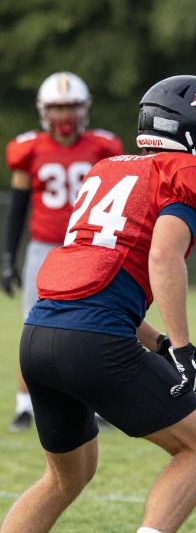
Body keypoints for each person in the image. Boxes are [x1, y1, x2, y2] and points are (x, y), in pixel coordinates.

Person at [0, 75, 196, 533]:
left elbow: (99, 282)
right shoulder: (191, 175)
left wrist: (154, 341)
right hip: (94, 341)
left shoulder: (110, 169)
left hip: (40, 336)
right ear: (195, 127)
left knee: (67, 475)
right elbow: (163, 256)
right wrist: (180, 347)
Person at [2, 72, 123, 432]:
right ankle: (25, 405)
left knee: (100, 322)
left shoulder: (104, 147)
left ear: (84, 109)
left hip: (90, 245)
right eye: (57, 107)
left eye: (70, 107)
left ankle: (101, 403)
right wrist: (10, 255)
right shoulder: (29, 149)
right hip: (45, 247)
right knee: (33, 326)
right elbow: (19, 206)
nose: (64, 115)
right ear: (43, 110)